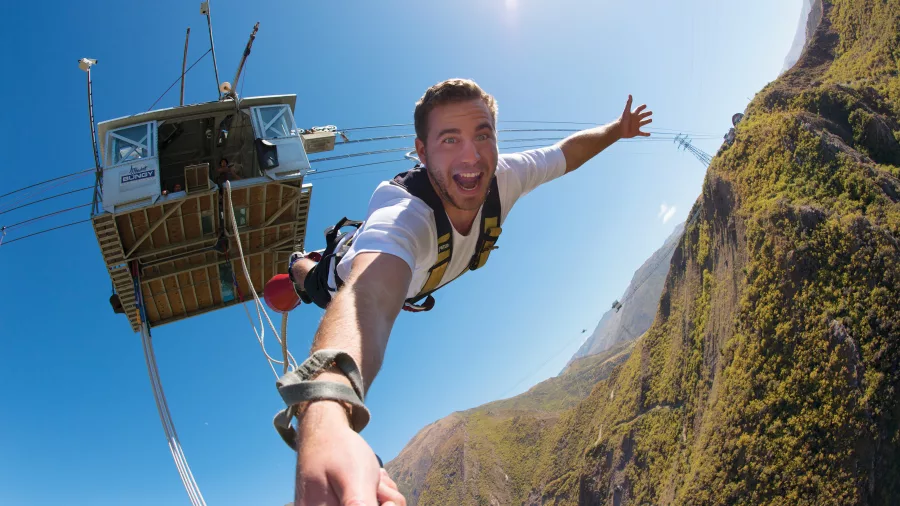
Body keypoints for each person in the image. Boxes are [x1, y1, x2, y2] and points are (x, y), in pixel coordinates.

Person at [277, 78, 652, 506]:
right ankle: (297, 261)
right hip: (346, 277)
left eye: (483, 135)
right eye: (450, 139)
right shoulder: (403, 215)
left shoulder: (507, 175)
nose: (471, 156)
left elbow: (566, 153)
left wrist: (617, 130)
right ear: (422, 152)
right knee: (315, 282)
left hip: (414, 280)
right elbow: (369, 301)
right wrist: (326, 412)